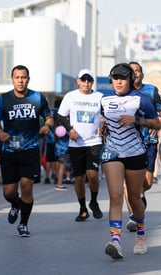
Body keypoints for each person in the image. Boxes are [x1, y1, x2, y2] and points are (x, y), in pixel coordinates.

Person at [100, 63, 160, 259]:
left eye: (123, 78)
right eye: (115, 77)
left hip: (135, 152)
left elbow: (156, 123)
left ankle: (141, 235)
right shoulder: (105, 100)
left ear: (130, 80)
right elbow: (102, 119)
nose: (118, 81)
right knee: (116, 195)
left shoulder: (141, 99)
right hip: (112, 151)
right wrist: (102, 126)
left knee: (135, 198)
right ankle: (115, 242)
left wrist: (137, 120)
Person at [0, 65, 53, 237]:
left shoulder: (38, 98)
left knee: (26, 186)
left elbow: (49, 117)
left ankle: (23, 223)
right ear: (12, 79)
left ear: (28, 79)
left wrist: (47, 126)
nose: (20, 80)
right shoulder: (3, 100)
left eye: (23, 77)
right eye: (17, 77)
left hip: (30, 150)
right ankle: (15, 204)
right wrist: (0, 133)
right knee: (9, 192)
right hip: (9, 151)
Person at [124, 61, 161, 232]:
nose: (135, 74)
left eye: (138, 71)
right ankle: (134, 218)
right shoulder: (121, 93)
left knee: (147, 182)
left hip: (148, 142)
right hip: (129, 142)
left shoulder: (151, 91)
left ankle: (140, 194)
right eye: (131, 71)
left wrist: (156, 127)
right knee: (127, 184)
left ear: (142, 74)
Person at [57, 68, 104, 221]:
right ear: (78, 81)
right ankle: (83, 208)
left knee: (93, 174)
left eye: (89, 80)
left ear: (92, 82)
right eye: (83, 79)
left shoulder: (100, 97)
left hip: (94, 141)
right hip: (76, 143)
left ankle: (94, 201)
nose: (86, 83)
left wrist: (104, 125)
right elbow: (61, 116)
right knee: (79, 178)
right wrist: (69, 129)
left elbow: (107, 116)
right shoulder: (70, 96)